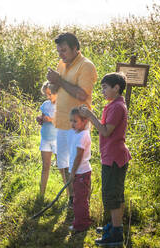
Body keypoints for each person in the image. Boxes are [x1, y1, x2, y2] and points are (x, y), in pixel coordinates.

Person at [79, 72, 131, 246]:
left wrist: (90, 116)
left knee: (112, 196)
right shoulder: (115, 104)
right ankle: (116, 226)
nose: (102, 91)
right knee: (116, 194)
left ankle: (116, 234)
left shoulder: (117, 107)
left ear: (116, 88)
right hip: (114, 156)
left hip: (114, 158)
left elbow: (106, 131)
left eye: (105, 87)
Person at [46, 32, 97, 206]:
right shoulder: (62, 63)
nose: (61, 55)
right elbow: (55, 89)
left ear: (76, 49)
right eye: (59, 51)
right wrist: (52, 82)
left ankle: (82, 200)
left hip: (78, 125)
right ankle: (72, 197)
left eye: (64, 50)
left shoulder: (86, 66)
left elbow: (82, 95)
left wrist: (59, 80)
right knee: (62, 163)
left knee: (79, 164)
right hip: (61, 121)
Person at [67, 107, 92, 232]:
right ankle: (83, 221)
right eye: (71, 121)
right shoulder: (78, 133)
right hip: (79, 172)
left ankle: (81, 225)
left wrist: (72, 172)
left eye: (75, 121)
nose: (72, 124)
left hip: (80, 173)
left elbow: (79, 156)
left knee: (79, 200)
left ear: (85, 121)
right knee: (79, 198)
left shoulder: (82, 135)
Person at [36, 81, 58, 196]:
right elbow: (43, 117)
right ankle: (41, 193)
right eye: (46, 95)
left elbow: (64, 122)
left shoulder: (61, 105)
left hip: (57, 139)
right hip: (45, 138)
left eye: (50, 94)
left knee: (62, 167)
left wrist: (50, 119)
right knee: (45, 166)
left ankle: (70, 195)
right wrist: (40, 119)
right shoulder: (45, 104)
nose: (48, 97)